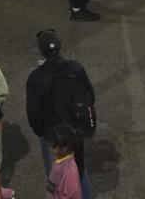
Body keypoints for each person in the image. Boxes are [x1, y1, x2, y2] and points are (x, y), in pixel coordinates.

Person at [26, 31, 95, 198]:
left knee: (55, 171)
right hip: (75, 130)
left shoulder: (35, 78)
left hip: (52, 133)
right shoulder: (75, 68)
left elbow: (33, 113)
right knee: (79, 169)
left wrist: (41, 132)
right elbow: (90, 96)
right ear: (61, 46)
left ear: (40, 51)